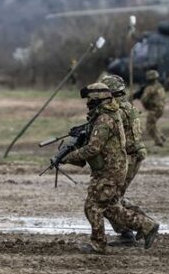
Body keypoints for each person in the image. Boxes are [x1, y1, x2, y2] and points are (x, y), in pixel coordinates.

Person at [61, 82, 159, 254]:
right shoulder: (107, 114)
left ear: (97, 99)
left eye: (89, 100)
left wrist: (69, 157)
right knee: (110, 207)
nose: (87, 104)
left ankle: (98, 244)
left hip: (110, 170)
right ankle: (146, 225)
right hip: (113, 168)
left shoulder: (104, 118)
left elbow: (93, 148)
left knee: (93, 206)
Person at [100, 74, 150, 245]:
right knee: (115, 198)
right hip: (132, 156)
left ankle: (140, 226)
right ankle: (137, 226)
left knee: (109, 200)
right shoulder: (128, 107)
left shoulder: (118, 111)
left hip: (127, 158)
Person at [139, 69, 167, 147]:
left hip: (154, 109)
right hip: (160, 108)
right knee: (153, 123)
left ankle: (158, 141)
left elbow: (144, 99)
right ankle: (161, 136)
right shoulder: (160, 86)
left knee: (149, 126)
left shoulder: (150, 88)